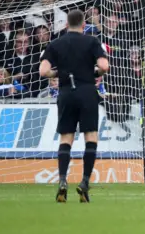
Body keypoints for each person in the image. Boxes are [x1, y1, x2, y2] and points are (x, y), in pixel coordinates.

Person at [39, 10, 110, 203]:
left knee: (66, 138)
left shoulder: (56, 43)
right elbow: (104, 66)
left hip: (66, 93)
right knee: (91, 137)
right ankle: (85, 182)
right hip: (87, 92)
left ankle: (62, 181)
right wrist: (92, 71)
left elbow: (43, 70)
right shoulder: (92, 41)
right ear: (84, 24)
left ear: (66, 25)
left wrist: (58, 74)